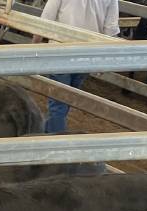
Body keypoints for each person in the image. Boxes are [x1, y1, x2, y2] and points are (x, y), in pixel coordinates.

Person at [38, 0, 120, 133]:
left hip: (61, 53)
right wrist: (105, 61)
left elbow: (47, 17)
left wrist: (33, 45)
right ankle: (52, 132)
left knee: (59, 102)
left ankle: (54, 138)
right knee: (67, 99)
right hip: (87, 56)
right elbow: (110, 30)